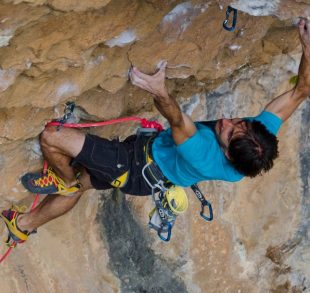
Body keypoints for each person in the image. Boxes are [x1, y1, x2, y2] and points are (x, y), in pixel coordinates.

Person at [1, 19, 309, 244]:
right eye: (239, 122)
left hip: (133, 167)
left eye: (229, 134)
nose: (228, 122)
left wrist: (159, 90)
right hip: (149, 171)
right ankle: (23, 225)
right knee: (84, 185)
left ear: (227, 154)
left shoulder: (203, 152)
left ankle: (64, 179)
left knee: (53, 136)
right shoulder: (256, 139)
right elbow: (300, 92)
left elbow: (176, 119)